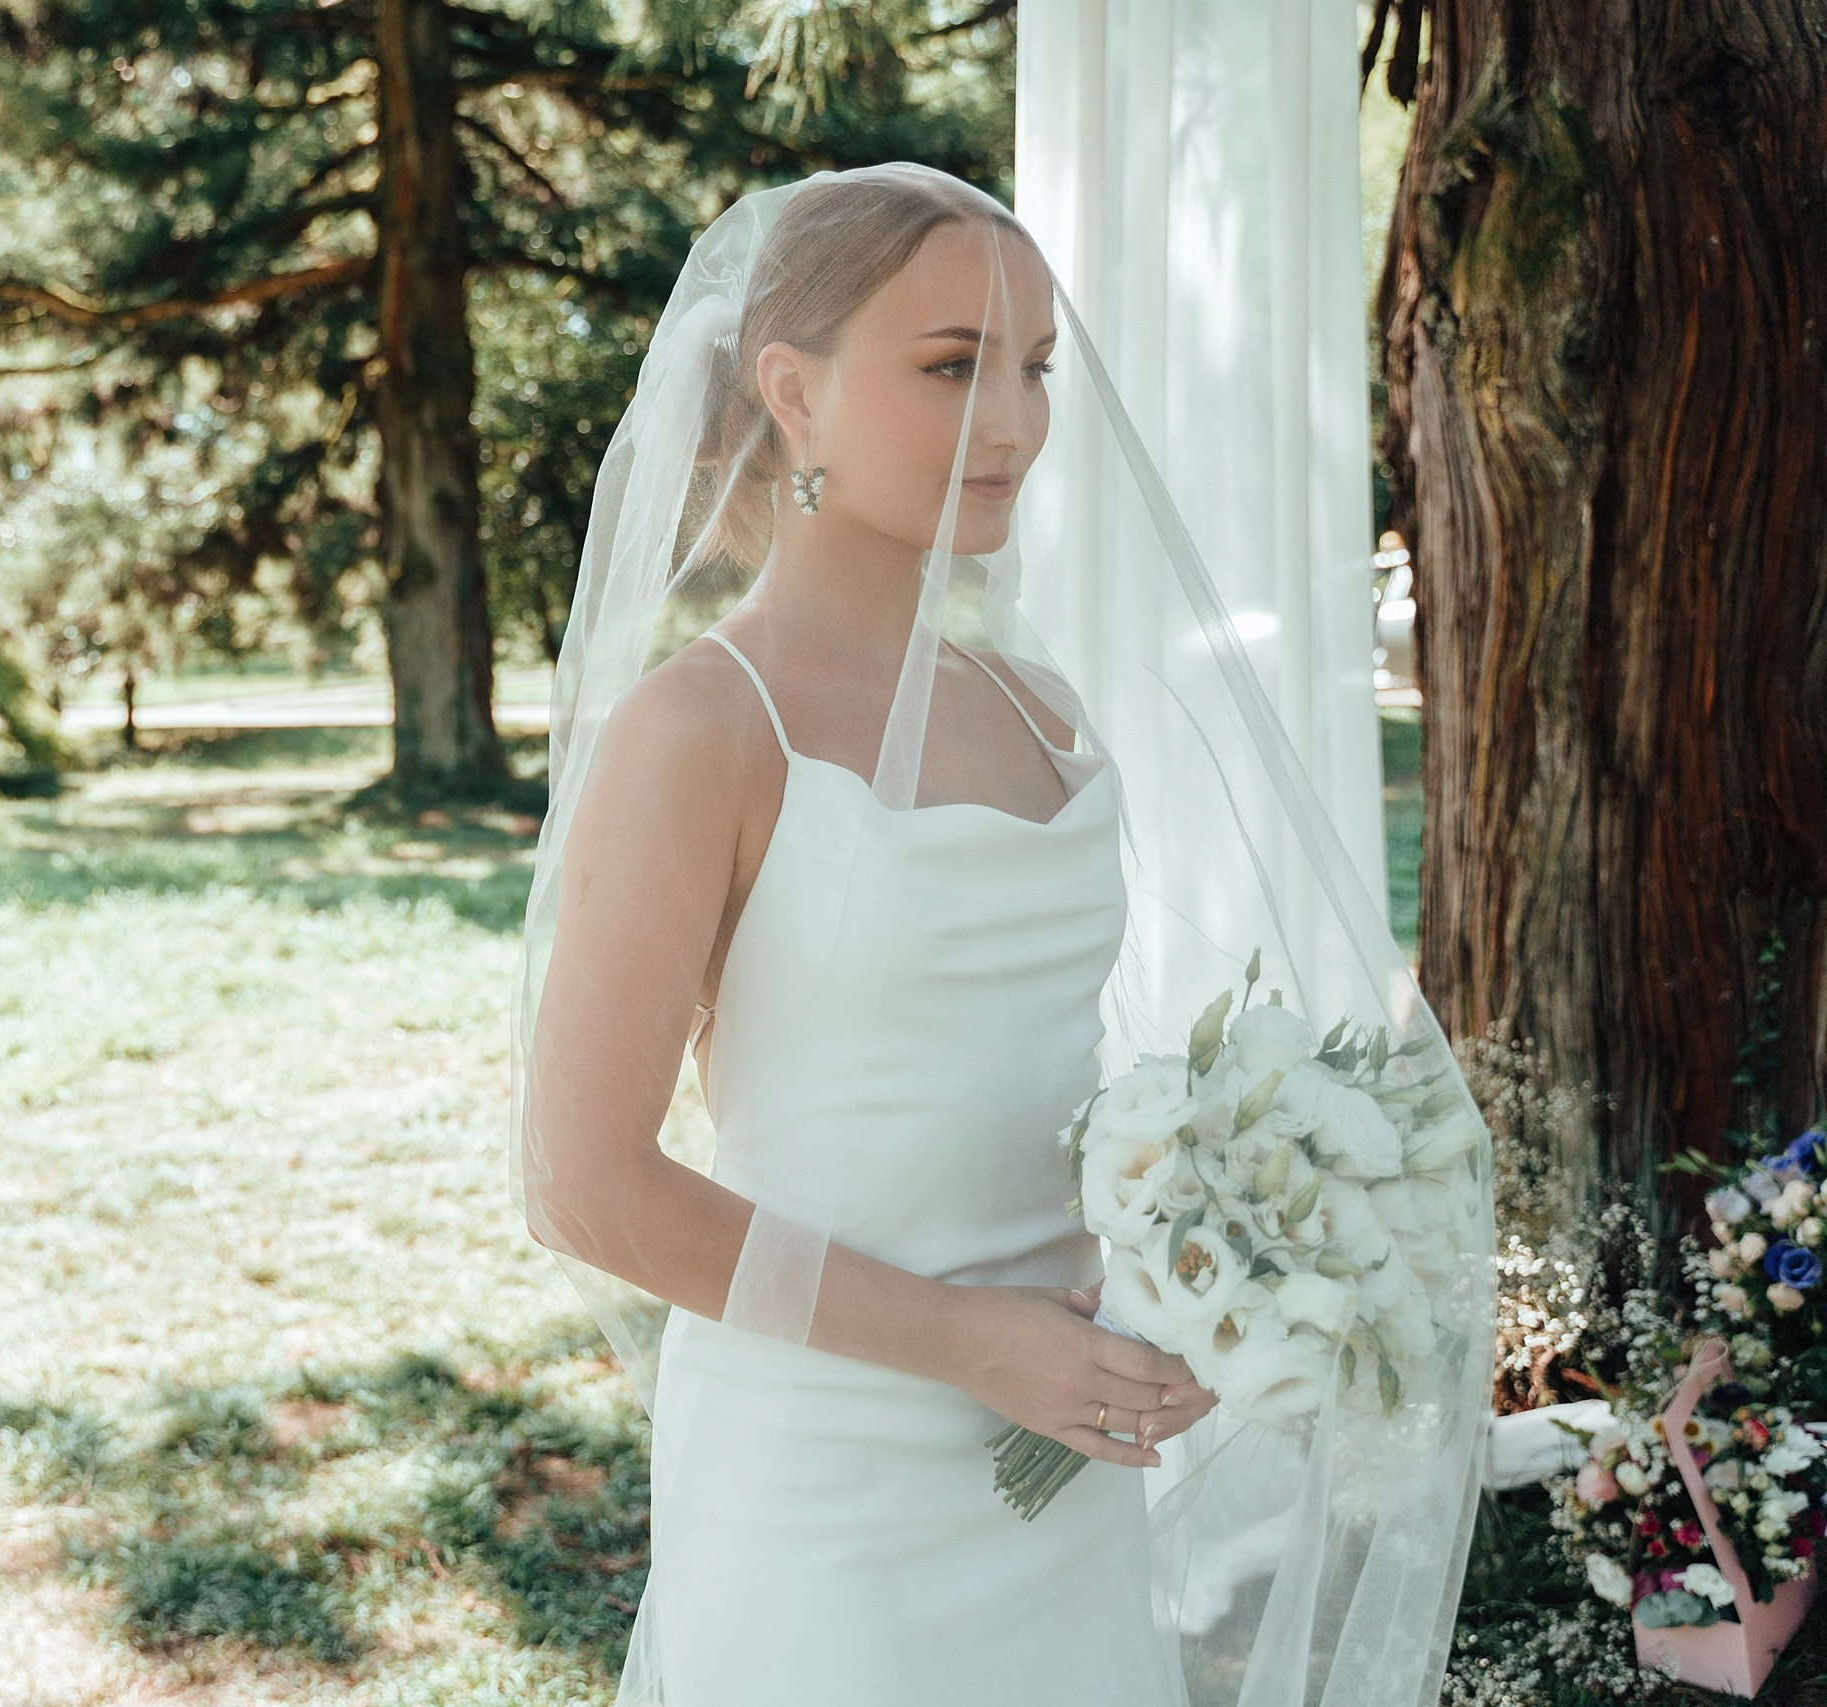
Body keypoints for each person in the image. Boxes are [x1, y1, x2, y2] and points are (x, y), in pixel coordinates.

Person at [510, 163, 1493, 1706]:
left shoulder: (1043, 717)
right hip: (825, 1486)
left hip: (1061, 1464)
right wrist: (970, 1342)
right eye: (952, 366)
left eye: (1034, 367)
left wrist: (1201, 1265)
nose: (1018, 423)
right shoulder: (701, 728)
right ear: (795, 391)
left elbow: (1045, 1094)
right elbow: (582, 1185)